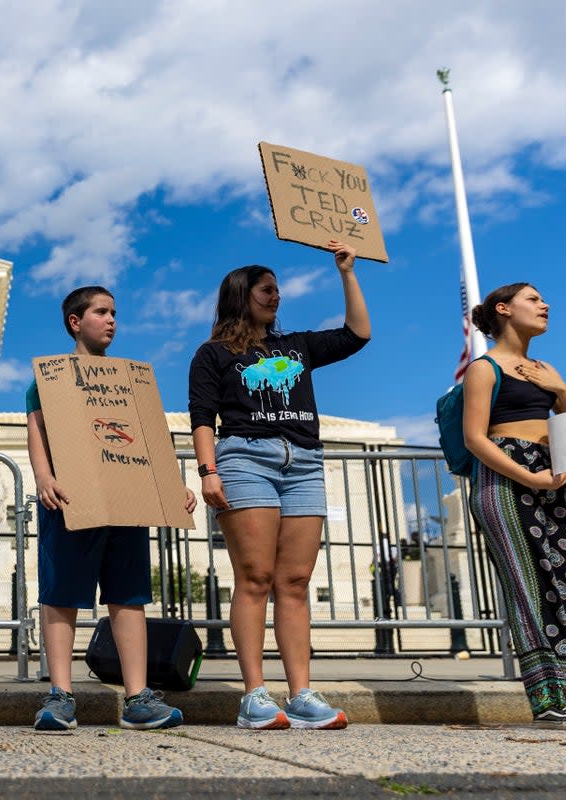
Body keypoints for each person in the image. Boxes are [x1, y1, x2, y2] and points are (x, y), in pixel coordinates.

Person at [188, 240, 368, 730]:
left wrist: (347, 273)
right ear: (241, 295)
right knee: (255, 578)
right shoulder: (213, 354)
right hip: (246, 459)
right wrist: (208, 471)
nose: (276, 296)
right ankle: (254, 696)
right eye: (266, 289)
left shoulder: (299, 346)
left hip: (305, 463)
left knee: (295, 582)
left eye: (278, 289)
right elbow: (202, 416)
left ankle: (302, 694)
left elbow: (357, 334)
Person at [27, 285, 197, 731]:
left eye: (114, 313)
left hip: (126, 502)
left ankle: (137, 698)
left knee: (129, 595)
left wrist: (172, 484)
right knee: (61, 595)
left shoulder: (130, 380)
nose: (111, 320)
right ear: (75, 321)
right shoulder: (49, 377)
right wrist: (44, 477)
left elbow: (149, 439)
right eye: (101, 312)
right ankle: (60, 695)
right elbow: (38, 431)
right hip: (69, 499)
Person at [463, 283, 566, 729]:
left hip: (553, 480)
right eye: (533, 299)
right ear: (504, 309)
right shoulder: (484, 368)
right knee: (532, 588)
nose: (545, 304)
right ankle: (550, 700)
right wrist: (529, 476)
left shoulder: (544, 368)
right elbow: (475, 438)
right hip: (506, 483)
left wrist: (560, 388)